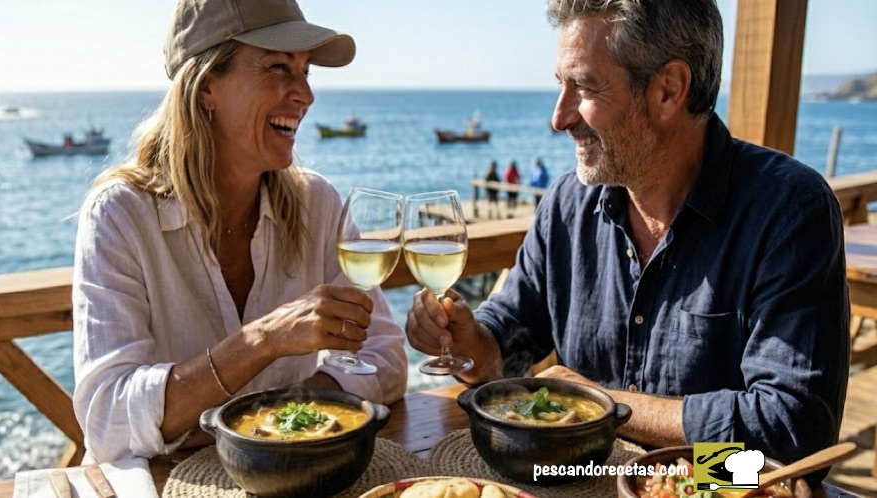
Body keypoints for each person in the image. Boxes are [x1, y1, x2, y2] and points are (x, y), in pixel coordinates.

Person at [405, 0, 848, 483]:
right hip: (577, 483)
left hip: (714, 490)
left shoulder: (789, 210)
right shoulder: (568, 204)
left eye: (584, 87)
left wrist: (605, 409)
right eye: (561, 85)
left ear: (669, 90)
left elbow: (796, 438)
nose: (559, 117)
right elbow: (508, 341)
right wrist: (468, 341)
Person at [72, 0, 407, 463]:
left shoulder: (317, 202)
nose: (305, 95)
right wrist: (263, 340)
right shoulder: (120, 214)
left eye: (305, 71)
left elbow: (385, 355)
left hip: (290, 477)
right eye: (278, 67)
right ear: (206, 85)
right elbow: (107, 420)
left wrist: (279, 417)